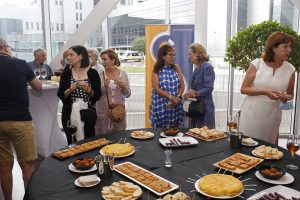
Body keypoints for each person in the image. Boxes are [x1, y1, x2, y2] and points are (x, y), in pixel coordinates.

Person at [0, 38, 42, 200]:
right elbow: (38, 87)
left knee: (3, 166)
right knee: (27, 165)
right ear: (5, 47)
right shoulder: (21, 64)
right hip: (20, 120)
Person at [239, 32, 296, 144]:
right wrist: (265, 92)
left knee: (267, 150)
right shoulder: (257, 64)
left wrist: (284, 97)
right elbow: (244, 89)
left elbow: (290, 94)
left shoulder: (291, 70)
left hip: (272, 116)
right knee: (246, 148)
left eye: (290, 46)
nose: (289, 50)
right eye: (285, 46)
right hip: (251, 114)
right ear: (274, 48)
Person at [57, 45, 101, 144]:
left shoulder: (92, 73)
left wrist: (88, 89)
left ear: (80, 56)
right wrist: (70, 89)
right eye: (68, 55)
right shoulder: (66, 74)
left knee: (89, 144)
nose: (68, 57)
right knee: (72, 144)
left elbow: (97, 95)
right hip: (68, 115)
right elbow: (60, 95)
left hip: (88, 116)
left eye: (71, 55)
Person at [95, 49, 131, 134]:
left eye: (105, 59)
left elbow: (128, 94)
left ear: (113, 60)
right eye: (101, 60)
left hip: (117, 112)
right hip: (103, 113)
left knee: (119, 138)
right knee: (103, 139)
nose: (103, 62)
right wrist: (105, 86)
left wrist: (124, 87)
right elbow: (96, 96)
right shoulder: (100, 75)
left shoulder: (123, 74)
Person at [151, 44, 185, 128]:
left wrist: (178, 97)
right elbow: (156, 89)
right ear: (163, 56)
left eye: (174, 55)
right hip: (161, 106)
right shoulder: (156, 69)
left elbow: (182, 84)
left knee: (175, 133)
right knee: (160, 134)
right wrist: (171, 97)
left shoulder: (176, 67)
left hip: (176, 105)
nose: (173, 57)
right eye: (170, 55)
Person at [183, 43, 215, 129]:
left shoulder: (207, 67)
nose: (188, 56)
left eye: (190, 54)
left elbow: (209, 88)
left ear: (197, 54)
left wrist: (195, 94)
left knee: (206, 135)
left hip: (205, 108)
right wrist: (188, 94)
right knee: (197, 134)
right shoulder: (196, 69)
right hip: (196, 108)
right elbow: (193, 88)